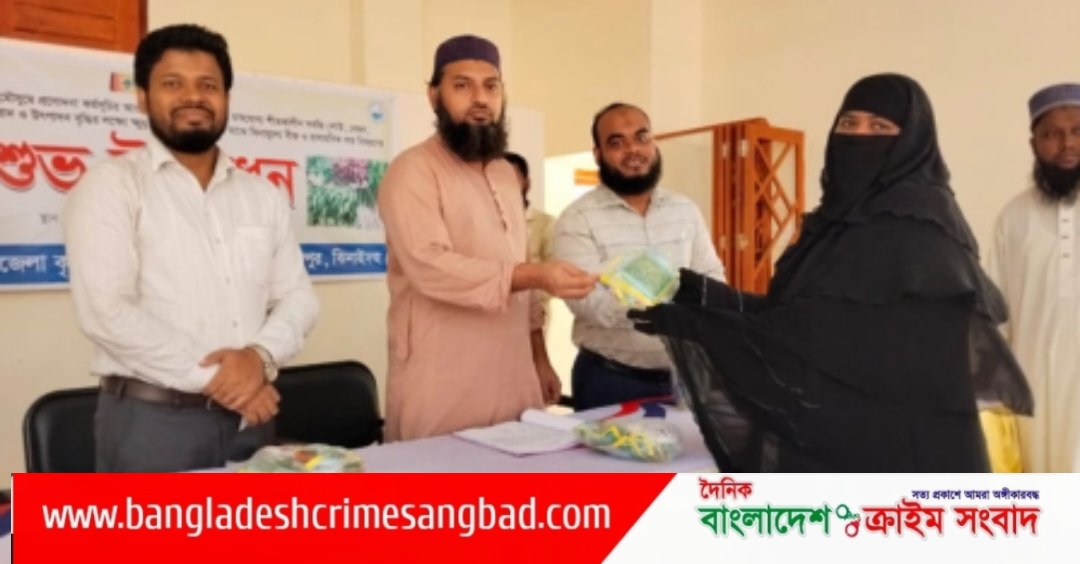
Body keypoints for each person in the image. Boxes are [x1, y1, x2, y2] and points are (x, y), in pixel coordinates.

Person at [629, 74, 1032, 472]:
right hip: (851, 445)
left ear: (912, 142)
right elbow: (804, 314)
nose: (858, 137)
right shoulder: (836, 223)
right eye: (848, 123)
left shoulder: (914, 230)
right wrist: (708, 296)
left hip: (897, 459)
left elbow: (820, 344)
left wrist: (698, 325)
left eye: (879, 127)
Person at [62, 24, 319, 472]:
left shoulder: (262, 194)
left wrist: (258, 359)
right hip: (153, 425)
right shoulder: (112, 186)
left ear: (226, 98)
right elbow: (106, 310)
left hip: (251, 421)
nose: (193, 97)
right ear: (143, 97)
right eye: (172, 83)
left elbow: (298, 297)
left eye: (208, 85)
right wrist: (223, 380)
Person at [377, 34, 596, 441]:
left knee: (519, 477)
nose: (480, 99)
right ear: (433, 96)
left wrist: (539, 358)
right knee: (440, 480)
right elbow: (429, 265)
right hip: (441, 378)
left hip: (513, 375)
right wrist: (532, 274)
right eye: (462, 85)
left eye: (491, 86)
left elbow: (523, 276)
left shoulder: (504, 174)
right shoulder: (412, 170)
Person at [553, 102, 725, 410]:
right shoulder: (577, 219)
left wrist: (699, 307)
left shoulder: (685, 210)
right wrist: (662, 311)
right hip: (610, 380)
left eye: (641, 137)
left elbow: (712, 276)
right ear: (598, 154)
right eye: (616, 142)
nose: (633, 149)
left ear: (654, 143)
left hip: (686, 376)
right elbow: (587, 302)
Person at [988, 83, 1080, 472]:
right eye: (1051, 134)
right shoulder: (1013, 219)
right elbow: (996, 320)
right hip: (1033, 392)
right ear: (1033, 144)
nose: (1067, 144)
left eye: (1077, 131)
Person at [506, 151, 556, 321]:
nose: (506, 185)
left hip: (533, 314)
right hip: (495, 311)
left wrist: (534, 300)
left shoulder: (545, 223)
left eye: (513, 178)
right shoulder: (484, 221)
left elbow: (554, 272)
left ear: (526, 182)